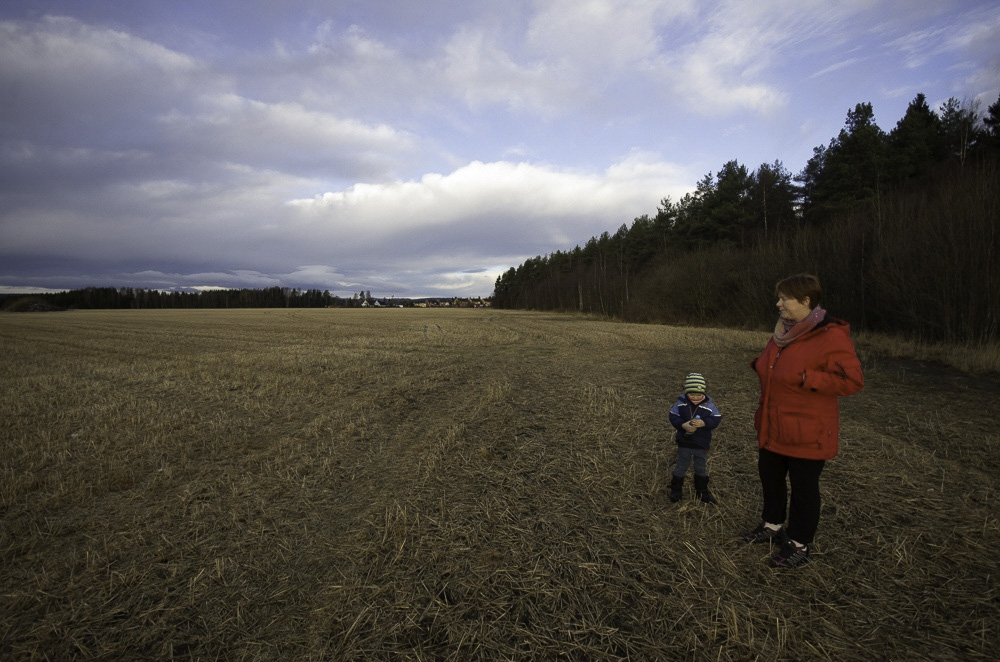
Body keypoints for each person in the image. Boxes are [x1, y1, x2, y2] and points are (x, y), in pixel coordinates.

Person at [741, 274, 864, 568]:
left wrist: (808, 378)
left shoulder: (830, 336)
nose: (778, 303)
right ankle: (772, 526)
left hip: (807, 432)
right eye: (779, 297)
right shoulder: (782, 331)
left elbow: (852, 381)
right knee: (770, 477)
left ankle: (798, 544)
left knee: (803, 489)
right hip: (773, 423)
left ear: (806, 301)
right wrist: (761, 364)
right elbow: (775, 364)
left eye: (785, 298)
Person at [668, 373, 723, 504]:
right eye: (692, 394)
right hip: (685, 442)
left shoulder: (709, 404)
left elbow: (716, 418)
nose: (695, 397)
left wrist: (704, 423)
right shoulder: (681, 403)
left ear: (703, 392)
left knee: (701, 467)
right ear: (686, 391)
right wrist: (683, 425)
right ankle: (676, 489)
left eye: (698, 394)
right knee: (681, 465)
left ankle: (702, 491)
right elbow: (672, 416)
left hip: (701, 443)